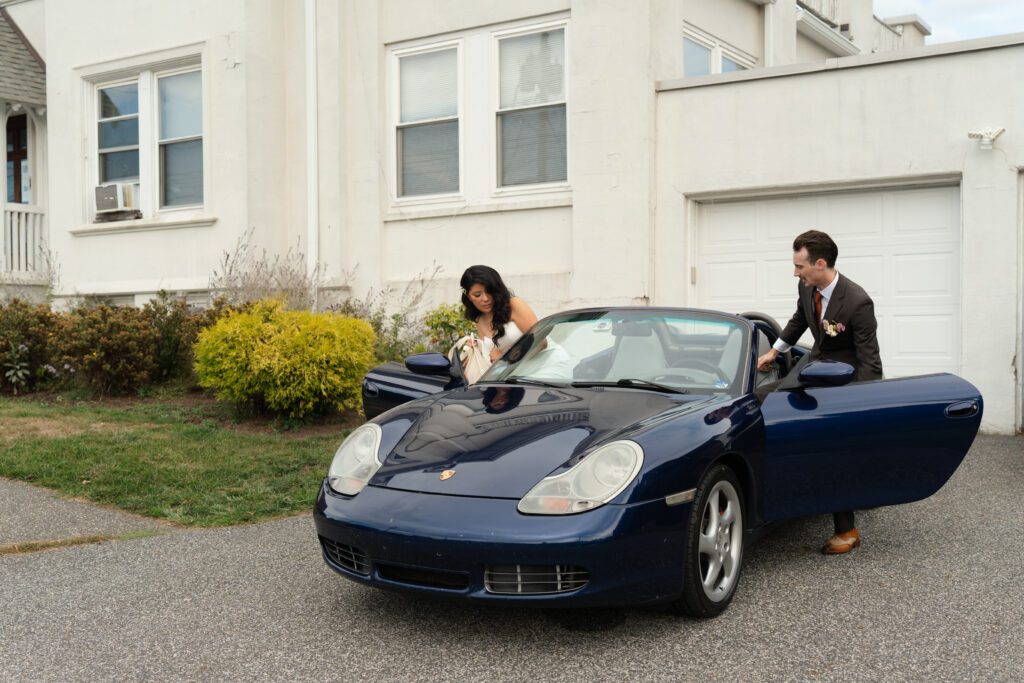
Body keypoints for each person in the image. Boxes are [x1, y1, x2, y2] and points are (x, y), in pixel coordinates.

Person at [756, 230, 883, 556]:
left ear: (821, 263)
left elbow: (871, 362)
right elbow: (801, 316)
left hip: (844, 378)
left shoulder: (857, 301)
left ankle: (847, 530)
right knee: (764, 401)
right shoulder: (807, 285)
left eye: (800, 266)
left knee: (831, 447)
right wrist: (775, 350)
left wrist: (860, 406)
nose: (795, 272)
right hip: (814, 364)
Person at [460, 265, 538, 364]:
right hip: (519, 372)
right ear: (469, 297)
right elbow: (492, 358)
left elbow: (541, 342)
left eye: (489, 291)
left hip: (546, 363)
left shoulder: (514, 304)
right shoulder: (480, 320)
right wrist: (475, 351)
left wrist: (506, 356)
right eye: (477, 295)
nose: (485, 299)